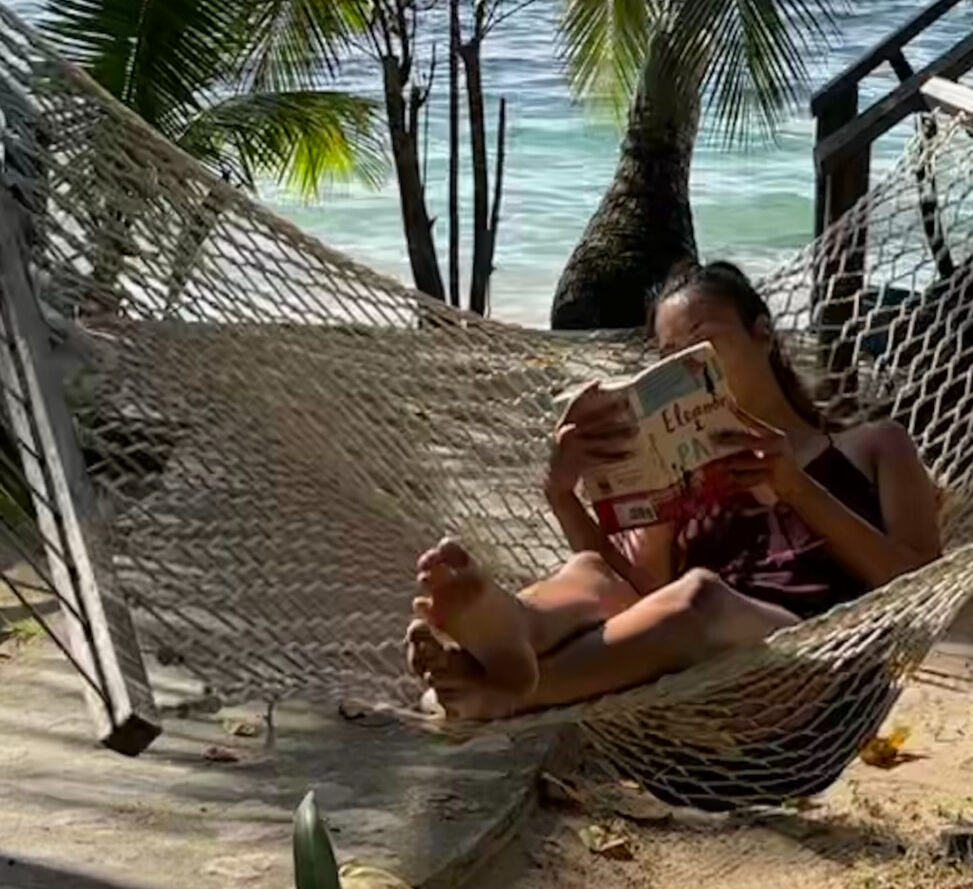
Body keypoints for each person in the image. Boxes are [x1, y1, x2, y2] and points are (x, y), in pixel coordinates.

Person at [404, 259, 944, 720]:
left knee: (700, 596)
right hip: (691, 670)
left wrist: (796, 488)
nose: (686, 365)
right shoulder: (681, 468)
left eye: (702, 343)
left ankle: (511, 691)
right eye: (670, 356)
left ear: (763, 333)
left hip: (810, 673)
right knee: (591, 573)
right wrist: (564, 494)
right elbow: (636, 598)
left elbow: (921, 588)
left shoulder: (874, 446)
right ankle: (509, 632)